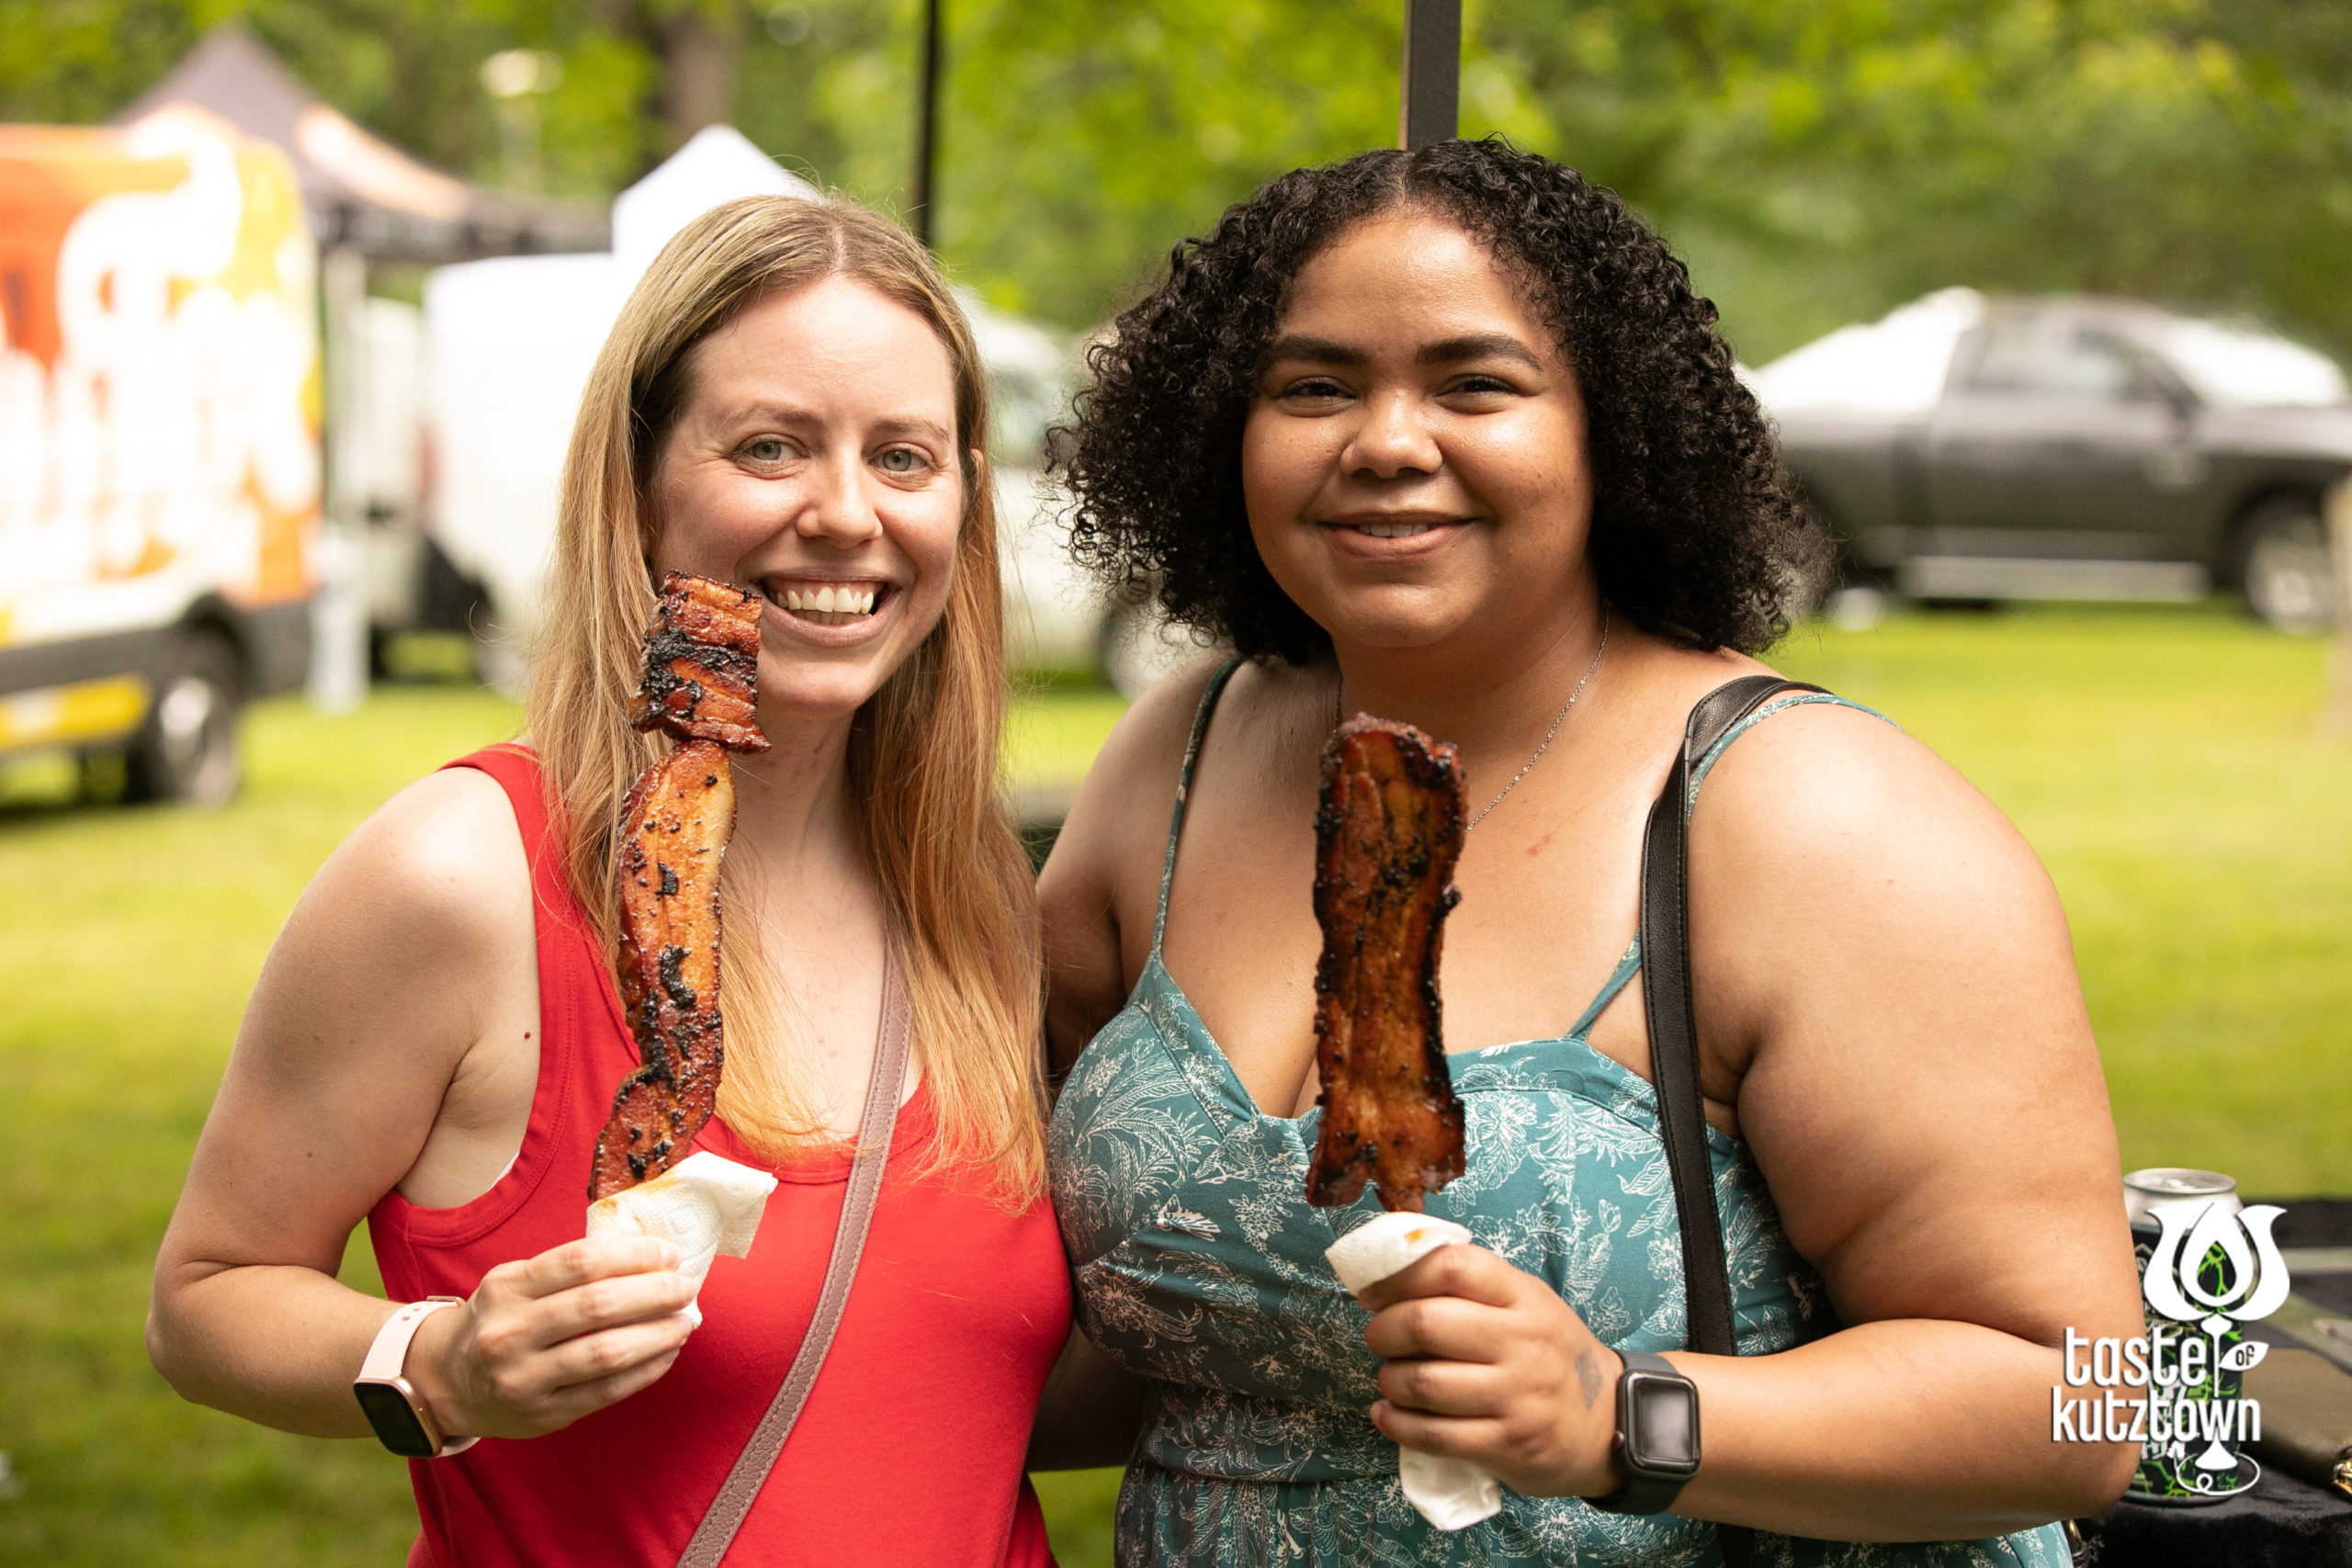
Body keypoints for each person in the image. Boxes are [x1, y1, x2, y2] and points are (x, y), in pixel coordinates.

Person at [1039, 141, 2143, 1564]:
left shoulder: (1816, 818)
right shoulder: (1177, 756)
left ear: (1609, 433)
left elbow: (2088, 1410)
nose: (1383, 440)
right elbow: (1076, 1326)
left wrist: (1621, 1416)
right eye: (1312, 385)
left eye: (1473, 383)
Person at [148, 195, 1069, 1566]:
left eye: (905, 457)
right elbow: (205, 1299)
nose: (844, 514)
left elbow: (963, 1383)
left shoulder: (975, 890)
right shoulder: (462, 873)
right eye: (770, 447)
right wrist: (441, 1367)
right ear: (639, 490)